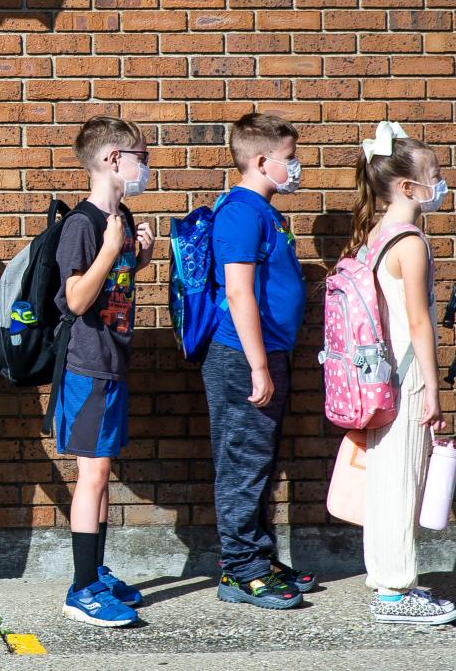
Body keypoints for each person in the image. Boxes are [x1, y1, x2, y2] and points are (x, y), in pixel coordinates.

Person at [346, 121, 456, 625]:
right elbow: (418, 322)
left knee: (389, 477)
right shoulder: (410, 241)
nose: (441, 184)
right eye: (434, 175)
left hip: (378, 373)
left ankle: (392, 581)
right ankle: (394, 589)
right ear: (408, 187)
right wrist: (434, 390)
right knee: (401, 479)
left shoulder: (375, 234)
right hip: (406, 375)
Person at [204, 113, 314, 610]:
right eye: (290, 159)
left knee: (260, 460)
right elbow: (238, 292)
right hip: (243, 358)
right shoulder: (242, 213)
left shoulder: (264, 211)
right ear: (262, 160)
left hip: (267, 353)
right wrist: (258, 367)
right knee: (242, 462)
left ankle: (260, 555)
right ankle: (240, 570)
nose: (296, 168)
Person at [55, 117, 154, 627]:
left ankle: (95, 570)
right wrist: (114, 248)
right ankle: (81, 588)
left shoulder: (121, 218)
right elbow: (75, 298)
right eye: (141, 155)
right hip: (88, 367)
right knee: (91, 474)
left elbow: (109, 286)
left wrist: (138, 258)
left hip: (113, 363)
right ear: (114, 159)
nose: (146, 166)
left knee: (103, 473)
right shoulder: (83, 224)